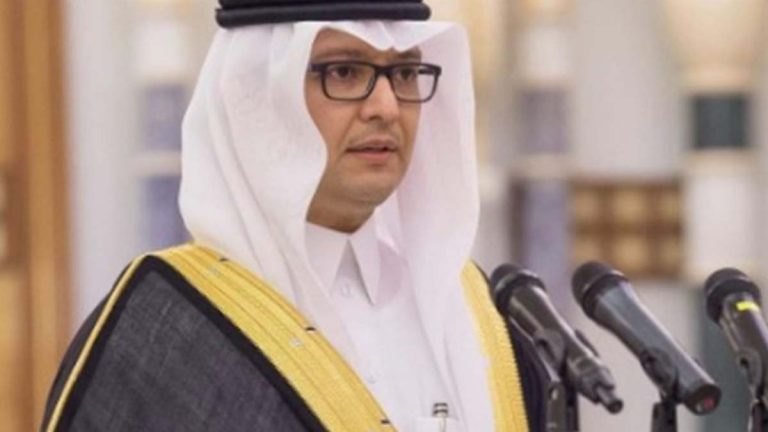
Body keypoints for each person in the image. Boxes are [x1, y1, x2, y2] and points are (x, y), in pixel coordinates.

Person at [41, 0, 543, 430]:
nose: (387, 106)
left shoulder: (482, 317)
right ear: (257, 96)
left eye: (405, 73)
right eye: (344, 72)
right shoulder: (167, 339)